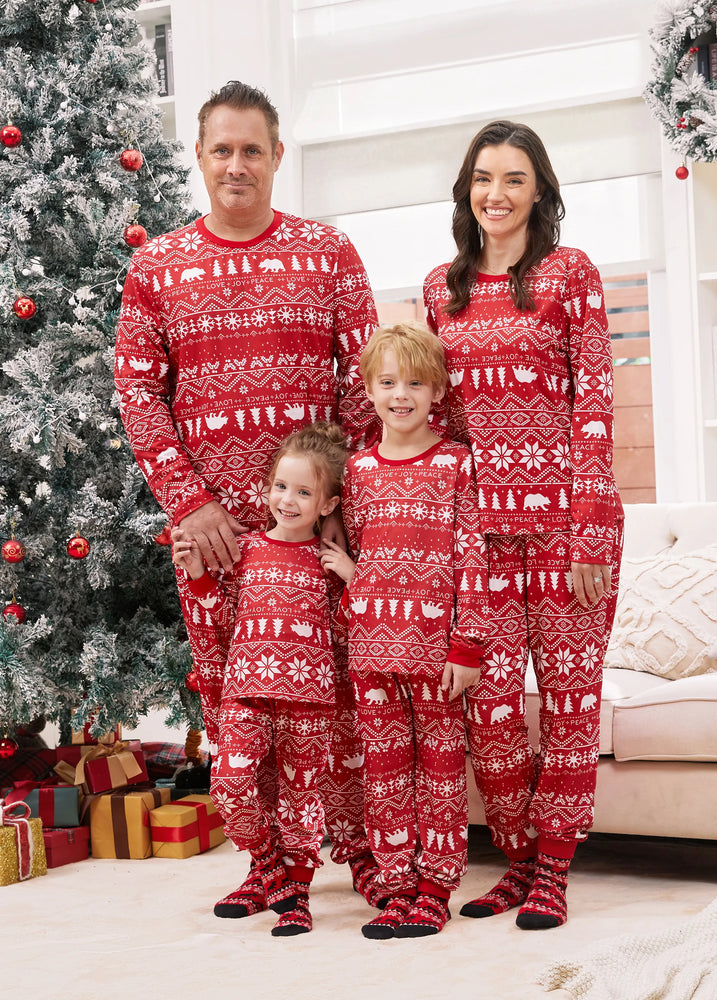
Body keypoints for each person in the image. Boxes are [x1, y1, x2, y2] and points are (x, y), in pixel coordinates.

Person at [114, 81, 383, 915]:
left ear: (276, 157)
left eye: (252, 150)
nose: (237, 164)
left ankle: (364, 852)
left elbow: (364, 384)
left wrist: (344, 511)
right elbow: (137, 390)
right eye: (222, 149)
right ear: (199, 156)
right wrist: (189, 501)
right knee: (236, 703)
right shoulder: (156, 267)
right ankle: (269, 861)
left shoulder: (328, 252)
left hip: (312, 538)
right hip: (214, 537)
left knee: (338, 695)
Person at [423, 121, 624, 930]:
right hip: (482, 537)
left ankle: (554, 871)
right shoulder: (440, 289)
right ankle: (516, 858)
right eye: (483, 178)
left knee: (570, 703)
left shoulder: (569, 274)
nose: (496, 194)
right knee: (492, 710)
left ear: (539, 190)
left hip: (567, 530)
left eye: (513, 178)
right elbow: (442, 422)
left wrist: (590, 529)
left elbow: (595, 402)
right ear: (466, 190)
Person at [320, 322, 489, 938]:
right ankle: (396, 888)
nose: (401, 395)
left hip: (436, 653)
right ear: (368, 389)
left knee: (440, 773)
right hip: (371, 650)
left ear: (438, 391)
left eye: (416, 383)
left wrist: (466, 646)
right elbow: (362, 554)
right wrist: (351, 576)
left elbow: (473, 558)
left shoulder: (456, 464)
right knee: (384, 773)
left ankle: (435, 890)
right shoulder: (358, 472)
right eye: (388, 382)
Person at [172, 423, 348, 936]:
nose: (288, 500)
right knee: (229, 784)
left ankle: (296, 894)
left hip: (308, 698)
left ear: (328, 504)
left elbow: (347, 630)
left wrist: (352, 578)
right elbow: (224, 619)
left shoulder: (327, 562)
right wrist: (198, 574)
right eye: (281, 487)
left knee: (300, 797)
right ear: (266, 487)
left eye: (304, 492)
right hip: (245, 690)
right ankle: (269, 868)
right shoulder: (245, 550)